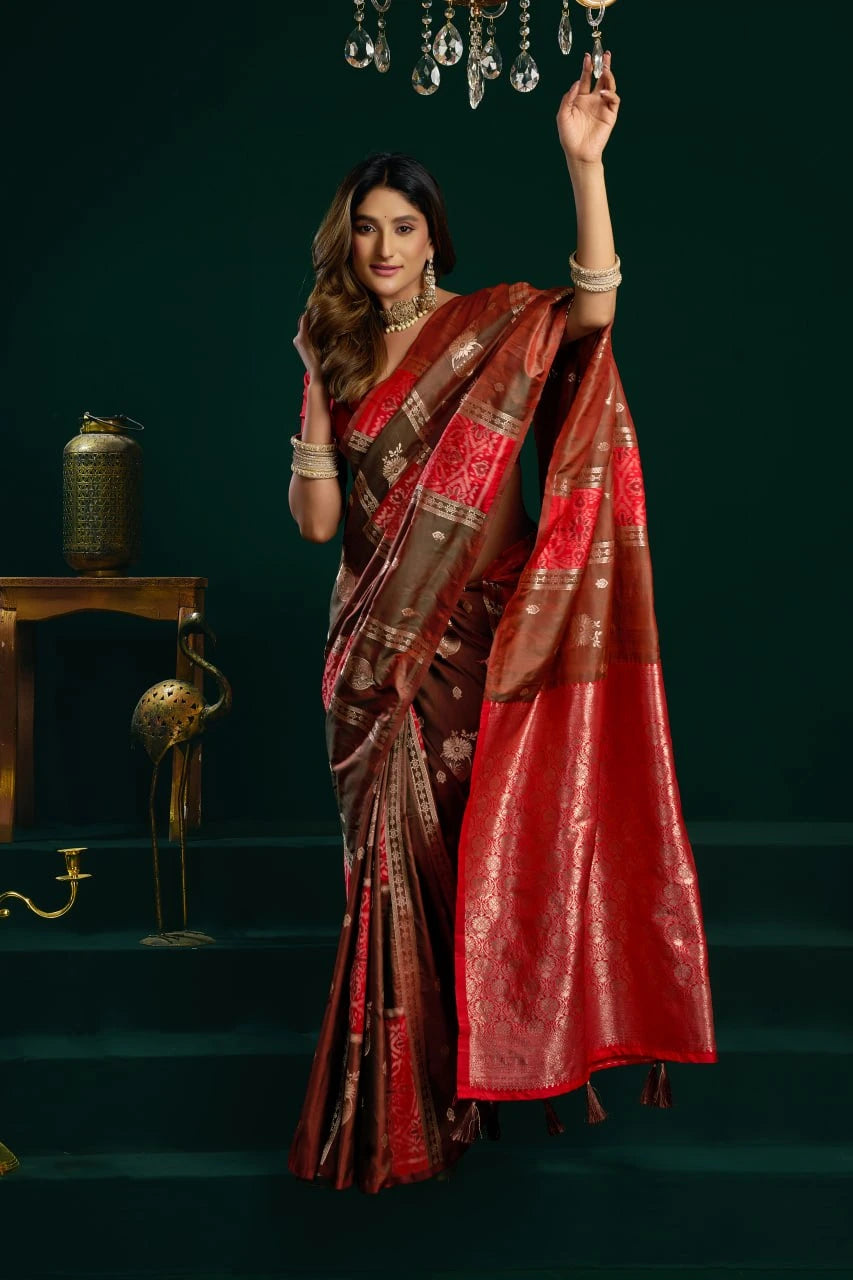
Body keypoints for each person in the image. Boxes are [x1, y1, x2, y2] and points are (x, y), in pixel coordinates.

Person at [288, 54, 716, 1195]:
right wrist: (306, 388)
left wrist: (584, 165)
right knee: (387, 876)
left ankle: (484, 1079)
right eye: (365, 231)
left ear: (435, 238)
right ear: (349, 242)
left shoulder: (493, 326)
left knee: (471, 861)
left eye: (403, 229)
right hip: (373, 660)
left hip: (483, 646)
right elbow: (317, 519)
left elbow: (593, 307)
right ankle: (407, 1108)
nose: (383, 250)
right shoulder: (334, 357)